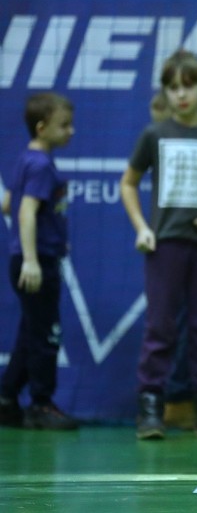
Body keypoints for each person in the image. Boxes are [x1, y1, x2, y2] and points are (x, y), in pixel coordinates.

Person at [119, 49, 197, 440]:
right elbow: (128, 182)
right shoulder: (154, 134)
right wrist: (142, 227)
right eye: (172, 88)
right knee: (160, 328)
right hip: (165, 246)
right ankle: (150, 412)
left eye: (188, 85)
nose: (181, 94)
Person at [0, 92, 78, 431]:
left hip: (34, 257)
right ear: (42, 128)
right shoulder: (41, 165)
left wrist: (54, 237)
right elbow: (25, 212)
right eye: (64, 126)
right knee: (46, 336)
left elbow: (8, 204)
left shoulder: (27, 160)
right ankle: (41, 405)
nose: (71, 131)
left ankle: (5, 399)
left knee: (30, 332)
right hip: (35, 263)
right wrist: (33, 259)